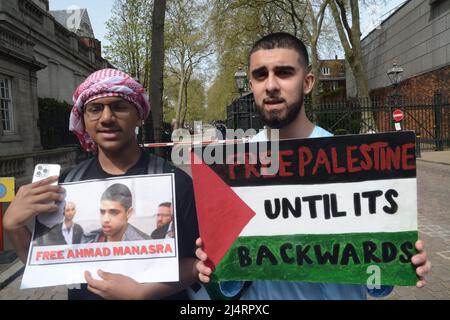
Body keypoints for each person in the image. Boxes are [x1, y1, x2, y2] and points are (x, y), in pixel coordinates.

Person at [195, 32, 432, 300]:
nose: (271, 85)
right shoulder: (234, 171)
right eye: (261, 75)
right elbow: (233, 284)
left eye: (284, 73)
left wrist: (397, 261)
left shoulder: (354, 164)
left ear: (307, 82)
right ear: (251, 85)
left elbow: (374, 281)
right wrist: (216, 262)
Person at [3, 68, 199, 300]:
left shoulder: (177, 182)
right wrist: (13, 226)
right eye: (95, 109)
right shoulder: (65, 186)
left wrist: (143, 292)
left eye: (119, 106)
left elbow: (198, 263)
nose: (106, 117)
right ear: (83, 119)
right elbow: (45, 264)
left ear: (139, 115)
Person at [83, 183, 150, 243]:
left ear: (128, 213)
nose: (105, 219)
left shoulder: (144, 244)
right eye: (102, 212)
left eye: (114, 213)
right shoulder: (89, 240)